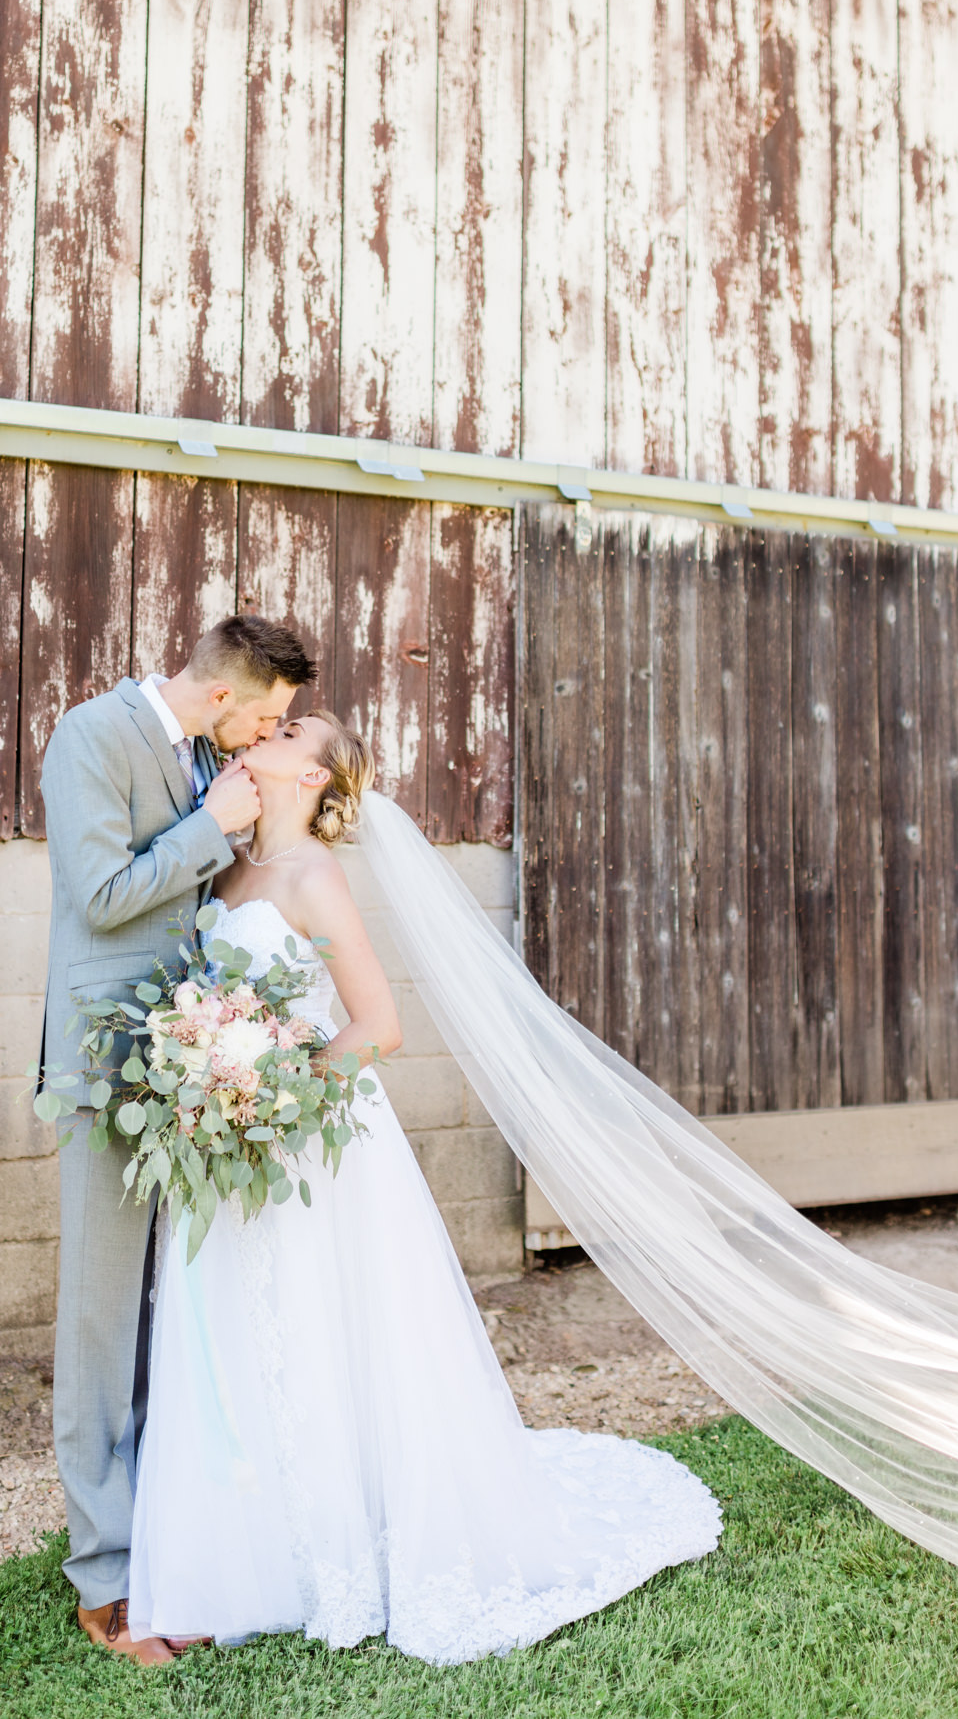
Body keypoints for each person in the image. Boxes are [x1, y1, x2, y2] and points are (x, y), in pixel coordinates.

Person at [126, 710, 722, 1666]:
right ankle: (250, 1552)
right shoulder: (226, 868)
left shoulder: (316, 878)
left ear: (315, 779)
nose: (261, 737)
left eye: (287, 736)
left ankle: (345, 1532)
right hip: (236, 1154)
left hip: (310, 1147)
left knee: (327, 1332)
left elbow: (378, 1026)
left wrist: (262, 1093)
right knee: (242, 1334)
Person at [38, 615, 315, 1664]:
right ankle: (104, 1579)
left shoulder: (205, 755)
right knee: (104, 1326)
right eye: (269, 718)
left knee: (175, 1319)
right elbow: (101, 898)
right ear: (227, 695)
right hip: (110, 1073)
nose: (266, 737)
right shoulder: (90, 738)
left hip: (192, 1073)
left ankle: (170, 1540)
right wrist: (212, 828)